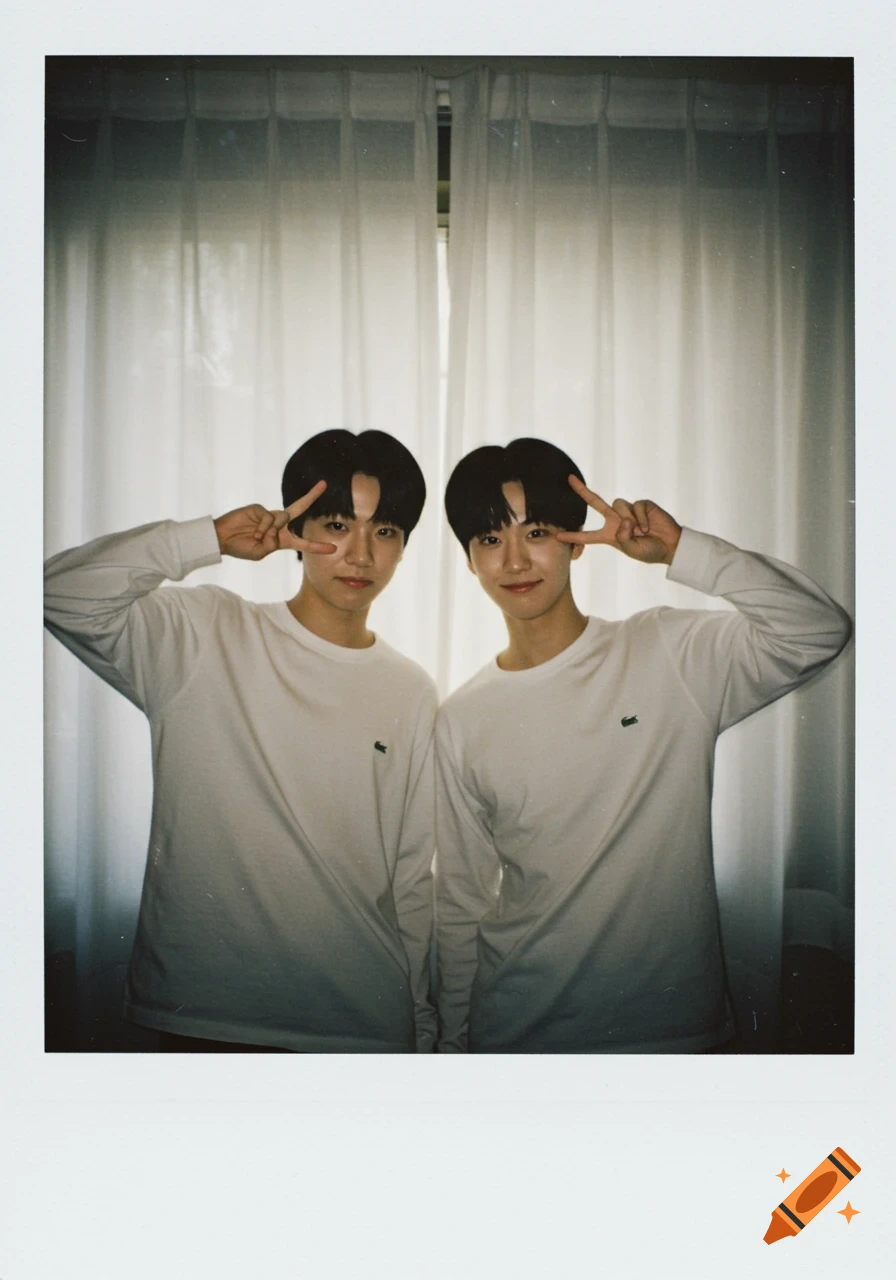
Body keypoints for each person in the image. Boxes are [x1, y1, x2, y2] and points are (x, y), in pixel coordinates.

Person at [435, 437, 851, 1054]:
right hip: (519, 1036)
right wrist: (451, 1046)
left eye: (538, 531)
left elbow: (817, 630)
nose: (516, 560)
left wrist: (681, 550)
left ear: (576, 540)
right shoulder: (462, 717)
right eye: (491, 540)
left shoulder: (665, 652)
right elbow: (461, 901)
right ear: (470, 561)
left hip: (674, 1031)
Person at [45, 429, 438, 1053]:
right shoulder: (204, 634)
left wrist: (421, 1025)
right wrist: (207, 539)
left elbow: (414, 876)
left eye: (384, 531)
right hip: (198, 1012)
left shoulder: (410, 690)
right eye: (337, 524)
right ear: (298, 529)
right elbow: (57, 593)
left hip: (359, 1022)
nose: (360, 553)